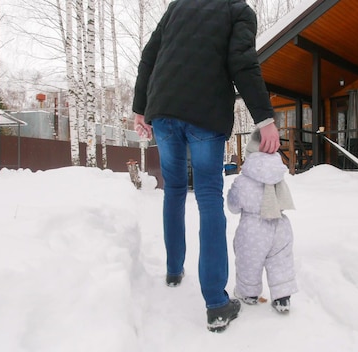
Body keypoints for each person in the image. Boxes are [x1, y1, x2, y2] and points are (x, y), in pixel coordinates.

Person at [131, 0, 280, 333]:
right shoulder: (238, 11)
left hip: (165, 110)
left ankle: (173, 270)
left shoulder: (177, 7)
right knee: (209, 197)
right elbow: (242, 63)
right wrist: (265, 118)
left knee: (174, 189)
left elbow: (149, 56)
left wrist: (140, 108)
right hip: (206, 114)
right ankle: (216, 304)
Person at [227, 129, 298, 313]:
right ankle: (282, 298)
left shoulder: (243, 181)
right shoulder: (278, 175)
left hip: (253, 229)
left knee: (248, 261)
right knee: (280, 262)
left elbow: (233, 206)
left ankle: (248, 294)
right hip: (280, 224)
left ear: (250, 155)